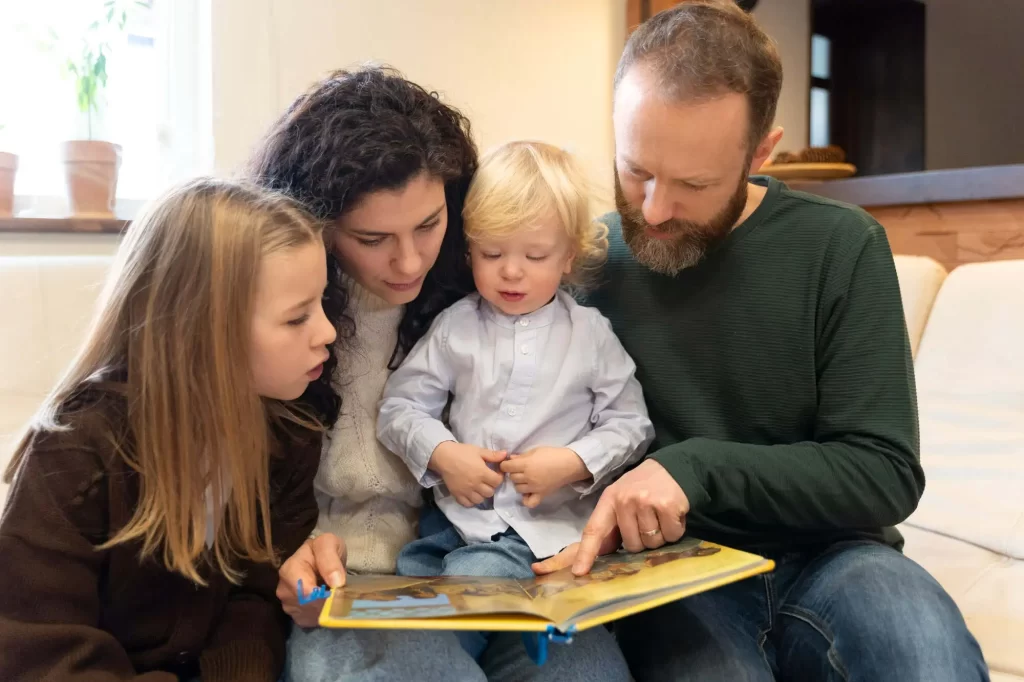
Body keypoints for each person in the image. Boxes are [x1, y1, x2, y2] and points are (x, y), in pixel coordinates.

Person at [532, 2, 990, 681]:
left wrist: (695, 469)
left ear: (761, 152)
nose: (655, 210)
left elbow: (883, 474)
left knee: (922, 654)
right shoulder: (584, 259)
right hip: (674, 572)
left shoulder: (840, 246)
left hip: (839, 560)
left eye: (693, 185)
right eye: (636, 171)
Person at [246, 66, 632, 682]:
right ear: (316, 226)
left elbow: (618, 421)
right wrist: (285, 563)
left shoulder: (483, 290)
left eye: (429, 225)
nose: (409, 261)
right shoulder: (283, 314)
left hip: (487, 557)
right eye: (373, 238)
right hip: (345, 582)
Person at [0, 178, 337, 682]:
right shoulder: (77, 448)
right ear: (200, 331)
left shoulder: (288, 437)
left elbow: (252, 599)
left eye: (322, 302)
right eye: (296, 319)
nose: (328, 331)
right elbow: (35, 643)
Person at [377, 140, 654, 660]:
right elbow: (399, 407)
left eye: (535, 255)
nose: (511, 272)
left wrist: (574, 462)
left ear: (568, 255)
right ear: (468, 250)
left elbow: (631, 423)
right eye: (492, 253)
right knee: (444, 615)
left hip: (556, 539)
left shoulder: (590, 335)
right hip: (464, 532)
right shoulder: (456, 327)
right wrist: (443, 453)